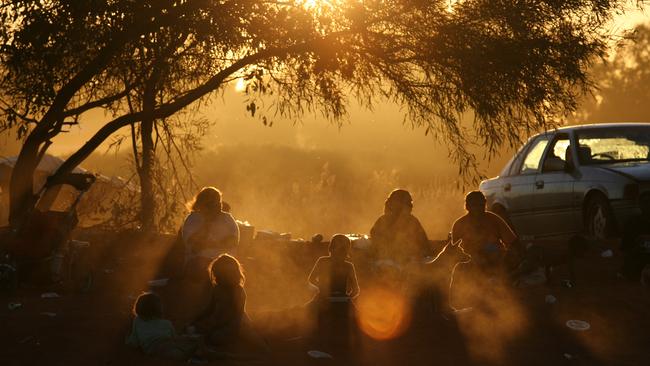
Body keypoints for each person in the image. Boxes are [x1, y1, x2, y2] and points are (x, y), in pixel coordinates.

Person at [189, 254, 263, 350]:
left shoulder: (238, 291)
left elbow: (236, 319)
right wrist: (194, 321)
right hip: (221, 325)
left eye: (218, 274)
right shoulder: (218, 289)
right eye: (215, 274)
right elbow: (209, 309)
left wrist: (217, 330)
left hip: (239, 327)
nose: (216, 277)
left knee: (262, 349)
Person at [307, 234, 360, 345]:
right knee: (360, 321)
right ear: (347, 251)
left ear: (330, 248)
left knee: (305, 315)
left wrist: (322, 288)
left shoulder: (322, 261)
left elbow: (311, 279)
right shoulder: (348, 266)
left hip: (323, 298)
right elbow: (356, 290)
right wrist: (346, 298)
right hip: (342, 300)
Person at [451, 191, 518, 275]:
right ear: (467, 206)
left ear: (485, 204)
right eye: (475, 205)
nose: (479, 208)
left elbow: (512, 243)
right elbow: (453, 251)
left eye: (481, 205)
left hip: (496, 259)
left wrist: (509, 258)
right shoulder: (459, 224)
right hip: (471, 260)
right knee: (458, 270)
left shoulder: (494, 219)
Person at [182, 187, 239, 277]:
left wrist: (210, 245)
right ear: (203, 204)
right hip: (198, 263)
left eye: (219, 202)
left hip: (223, 264)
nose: (218, 206)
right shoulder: (193, 219)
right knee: (200, 267)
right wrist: (207, 223)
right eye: (213, 203)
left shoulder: (227, 219)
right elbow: (195, 247)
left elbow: (233, 242)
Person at [126, 292, 199, 361]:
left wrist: (128, 341)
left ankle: (191, 354)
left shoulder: (137, 320)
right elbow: (175, 338)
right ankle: (194, 354)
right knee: (188, 346)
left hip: (154, 349)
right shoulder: (166, 323)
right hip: (163, 347)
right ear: (158, 309)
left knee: (178, 351)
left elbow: (134, 340)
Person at [370, 189, 430, 266]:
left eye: (410, 203)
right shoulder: (383, 221)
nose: (411, 206)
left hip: (410, 262)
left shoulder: (413, 221)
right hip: (388, 263)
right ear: (397, 204)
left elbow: (424, 245)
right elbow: (377, 247)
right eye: (408, 203)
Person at [620, 194, 650, 281]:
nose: (649, 205)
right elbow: (625, 248)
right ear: (640, 205)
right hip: (639, 257)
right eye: (646, 202)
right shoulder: (632, 223)